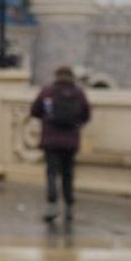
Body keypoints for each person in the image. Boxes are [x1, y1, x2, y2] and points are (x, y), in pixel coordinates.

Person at [30, 65, 91, 223]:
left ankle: (52, 207)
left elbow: (35, 110)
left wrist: (47, 119)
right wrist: (75, 125)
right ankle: (69, 208)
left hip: (51, 141)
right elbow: (86, 114)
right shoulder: (78, 93)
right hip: (71, 141)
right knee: (68, 175)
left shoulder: (48, 91)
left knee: (52, 174)